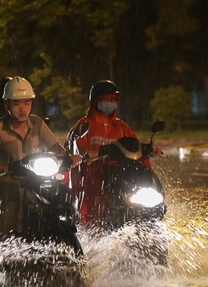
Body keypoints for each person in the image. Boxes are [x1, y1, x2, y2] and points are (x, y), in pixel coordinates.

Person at [0, 76, 81, 237]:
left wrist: (69, 156)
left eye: (26, 103)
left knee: (65, 195)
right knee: (11, 205)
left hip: (37, 178)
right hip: (8, 180)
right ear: (6, 104)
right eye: (17, 103)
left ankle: (69, 235)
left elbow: (54, 146)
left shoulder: (38, 123)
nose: (22, 108)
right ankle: (5, 246)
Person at [65, 80, 155, 227]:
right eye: (105, 100)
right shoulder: (84, 125)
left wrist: (149, 150)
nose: (109, 103)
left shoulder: (122, 126)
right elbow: (75, 149)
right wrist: (89, 153)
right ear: (95, 101)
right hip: (95, 178)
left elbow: (133, 145)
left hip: (121, 176)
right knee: (94, 215)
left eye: (113, 100)